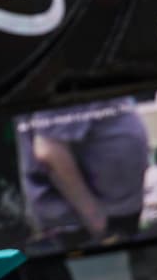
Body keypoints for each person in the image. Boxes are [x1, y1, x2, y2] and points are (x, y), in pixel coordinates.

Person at [18, 97, 149, 252]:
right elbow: (50, 150)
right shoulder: (65, 84)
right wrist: (95, 219)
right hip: (87, 224)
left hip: (111, 217)